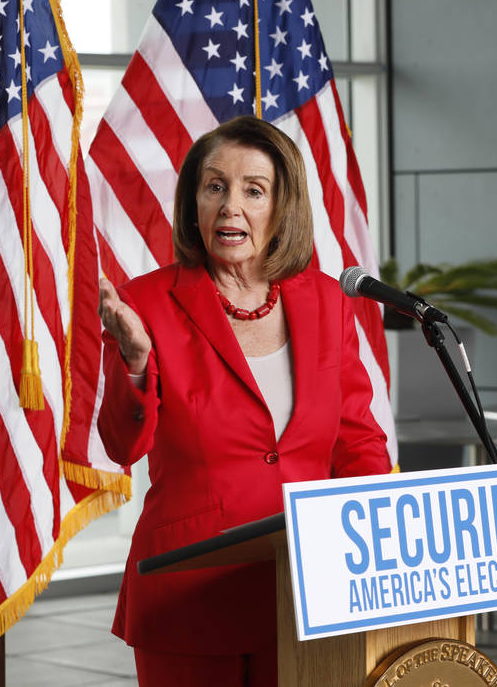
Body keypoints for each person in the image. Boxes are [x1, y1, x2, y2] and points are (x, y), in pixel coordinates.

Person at [96, 115, 392, 686]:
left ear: (283, 207)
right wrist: (134, 364)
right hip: (189, 595)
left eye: (253, 190)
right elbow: (121, 444)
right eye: (215, 187)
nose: (230, 206)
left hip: (309, 589)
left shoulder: (327, 300)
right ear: (194, 203)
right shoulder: (148, 303)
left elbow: (357, 439)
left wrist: (377, 541)